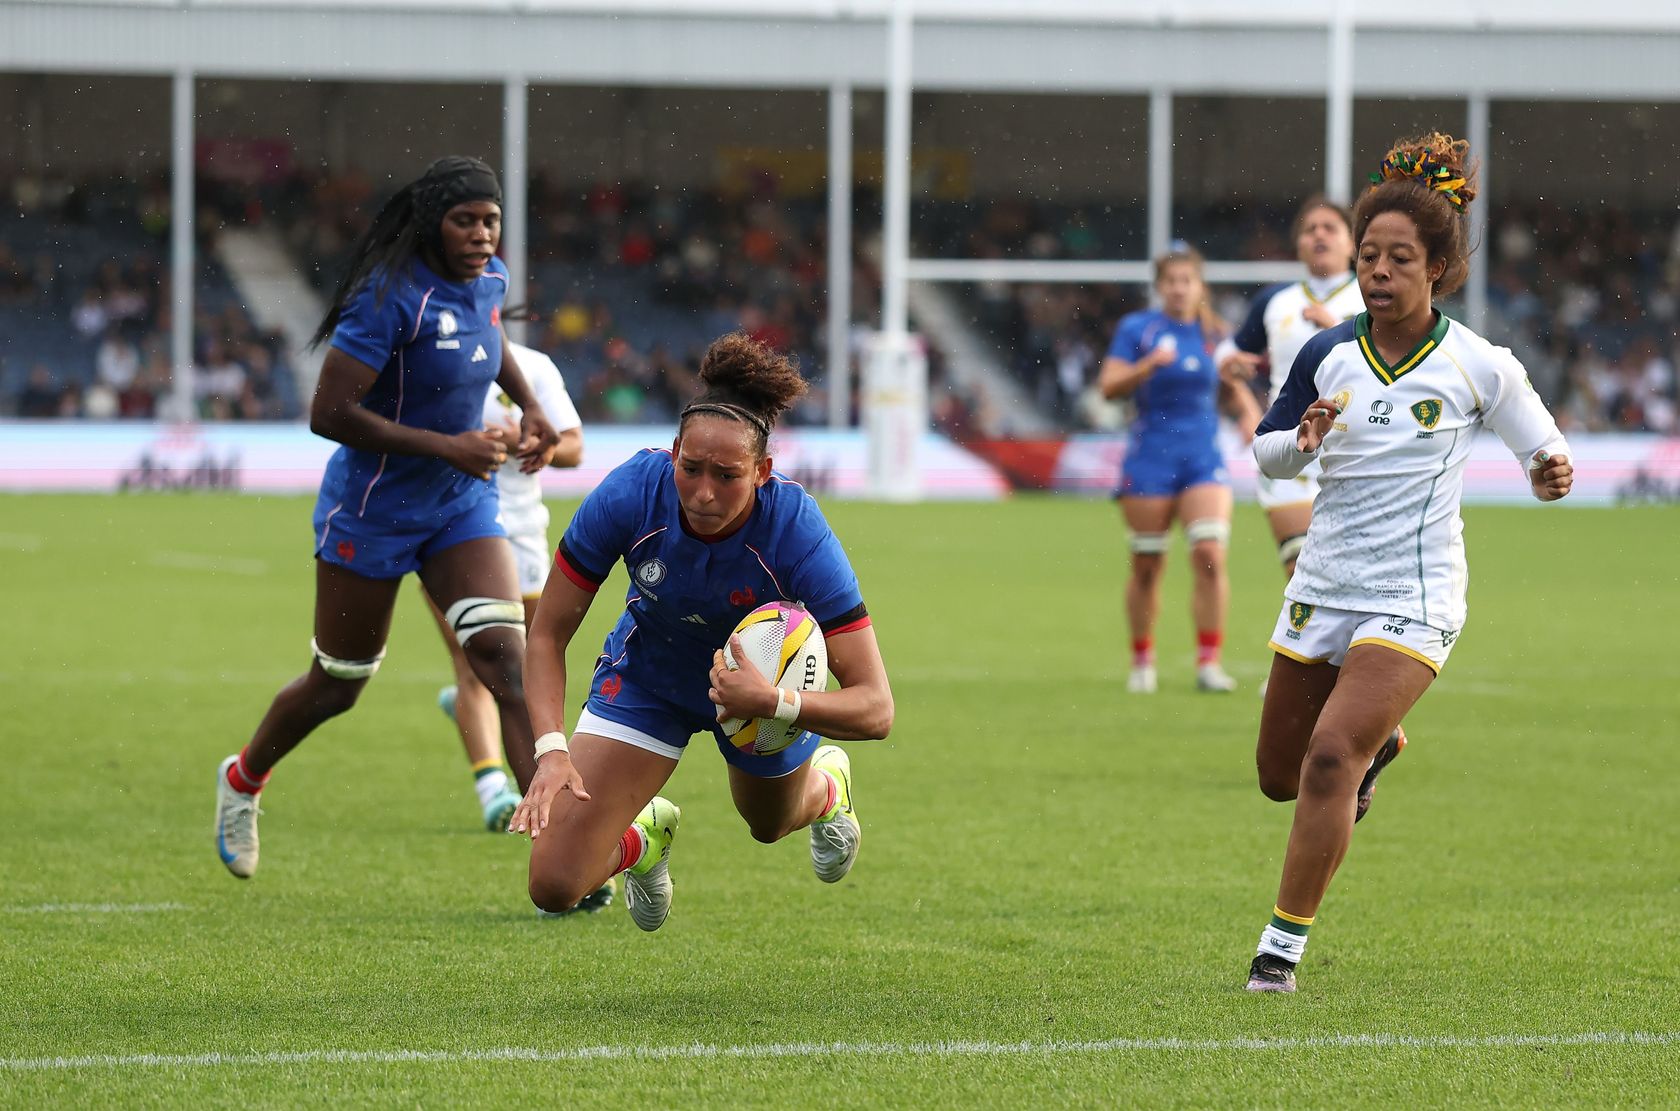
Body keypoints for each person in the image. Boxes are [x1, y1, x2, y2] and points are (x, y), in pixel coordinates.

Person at [1244, 133, 1574, 993]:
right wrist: (1302, 440)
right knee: (1280, 774)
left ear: (1439, 269)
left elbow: (1546, 455)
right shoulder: (1326, 353)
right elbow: (1268, 453)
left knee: (1326, 759)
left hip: (1416, 594)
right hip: (1323, 585)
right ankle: (1381, 739)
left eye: (1399, 258)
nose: (1377, 272)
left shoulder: (1479, 363)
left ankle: (1279, 951)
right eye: (1368, 257)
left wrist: (1549, 471)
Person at [213, 156, 560, 880]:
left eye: (490, 220)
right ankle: (243, 779)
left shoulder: (489, 280)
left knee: (507, 660)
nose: (481, 233)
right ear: (433, 222)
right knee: (338, 682)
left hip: (460, 505)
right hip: (372, 510)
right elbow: (328, 413)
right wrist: (450, 445)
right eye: (465, 219)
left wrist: (529, 403)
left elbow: (489, 337)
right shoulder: (386, 297)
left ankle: (560, 854)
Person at [509, 333, 894, 931]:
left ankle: (826, 791)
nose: (704, 492)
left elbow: (877, 708)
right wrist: (551, 750)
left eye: (727, 476)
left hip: (760, 699)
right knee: (554, 886)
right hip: (650, 678)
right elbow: (545, 636)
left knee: (768, 826)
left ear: (763, 472)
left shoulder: (797, 532)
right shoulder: (631, 494)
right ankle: (645, 839)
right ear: (672, 454)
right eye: (690, 469)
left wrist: (771, 701)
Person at [427, 339, 583, 833]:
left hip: (520, 534)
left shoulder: (533, 367)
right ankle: (494, 788)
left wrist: (521, 440)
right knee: (470, 664)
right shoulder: (427, 357)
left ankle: (483, 715)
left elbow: (574, 448)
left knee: (528, 664)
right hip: (447, 531)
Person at [1098, 245, 1262, 694]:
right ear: (1159, 287)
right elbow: (1109, 386)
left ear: (1199, 286)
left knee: (1210, 556)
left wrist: (1249, 413)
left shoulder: (1214, 334)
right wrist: (1148, 365)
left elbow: (1231, 385)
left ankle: (1209, 662)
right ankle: (1142, 659)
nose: (1178, 288)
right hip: (1150, 457)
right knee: (1148, 565)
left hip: (1202, 458)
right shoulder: (1139, 330)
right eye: (1170, 281)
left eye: (1186, 280)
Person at [1217, 197, 1364, 582]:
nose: (1318, 235)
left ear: (1352, 243)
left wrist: (1334, 326)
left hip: (1358, 449)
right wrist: (1236, 381)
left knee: (1350, 574)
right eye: (1309, 229)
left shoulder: (1373, 299)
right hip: (1291, 444)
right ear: (1297, 244)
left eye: (1329, 227)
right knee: (1303, 570)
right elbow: (1228, 356)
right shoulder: (1275, 300)